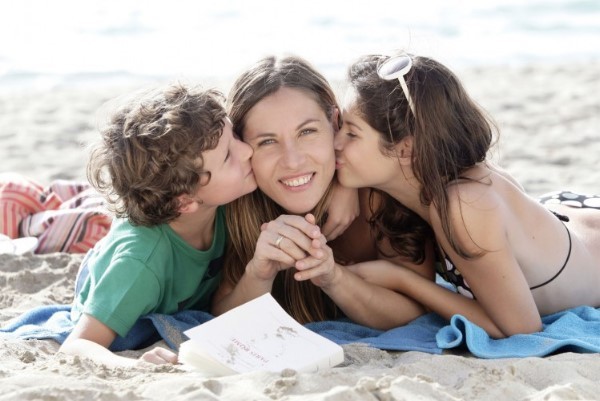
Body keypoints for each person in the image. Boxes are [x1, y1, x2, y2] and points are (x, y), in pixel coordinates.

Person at [334, 51, 600, 338]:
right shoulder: (440, 172)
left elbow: (521, 328)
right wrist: (343, 189)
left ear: (405, 148)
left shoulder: (462, 206)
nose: (336, 142)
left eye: (351, 134)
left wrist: (404, 281)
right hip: (564, 223)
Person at [212, 55, 435, 330]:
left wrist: (334, 278)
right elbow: (221, 317)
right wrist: (258, 273)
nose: (292, 161)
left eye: (306, 132)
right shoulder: (240, 203)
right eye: (267, 141)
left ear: (335, 123)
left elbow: (417, 310)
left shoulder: (377, 193)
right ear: (242, 147)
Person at [58, 83, 257, 367]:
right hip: (113, 273)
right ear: (184, 201)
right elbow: (77, 345)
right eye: (228, 156)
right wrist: (137, 365)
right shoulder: (140, 263)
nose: (248, 150)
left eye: (235, 136)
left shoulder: (223, 203)